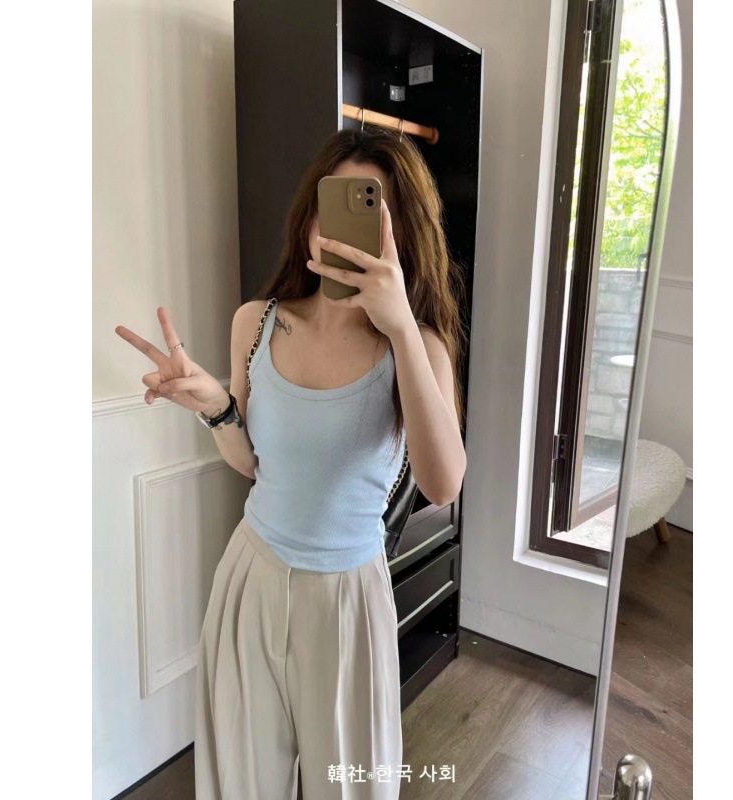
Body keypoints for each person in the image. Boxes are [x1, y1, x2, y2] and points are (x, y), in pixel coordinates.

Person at [115, 126, 467, 799]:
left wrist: (399, 325)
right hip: (251, 578)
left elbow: (443, 484)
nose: (339, 234)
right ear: (308, 218)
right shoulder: (257, 321)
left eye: (370, 212)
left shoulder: (417, 345)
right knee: (244, 782)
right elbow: (253, 464)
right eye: (330, 207)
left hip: (347, 599)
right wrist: (216, 407)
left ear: (402, 235)